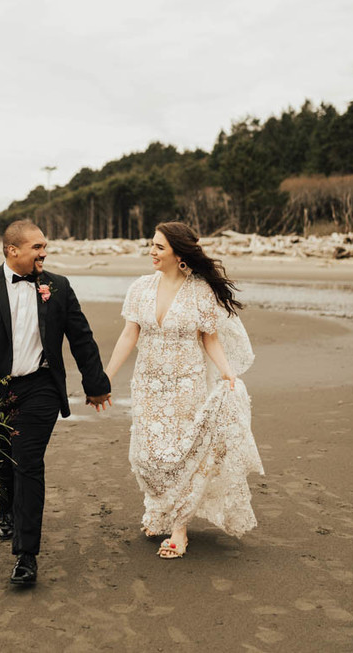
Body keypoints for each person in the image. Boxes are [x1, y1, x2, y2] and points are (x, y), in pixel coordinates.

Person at [0, 219, 111, 585]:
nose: (44, 253)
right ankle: (6, 508)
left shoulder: (58, 287)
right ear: (12, 250)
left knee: (27, 461)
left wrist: (95, 384)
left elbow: (81, 337)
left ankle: (26, 555)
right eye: (37, 247)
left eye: (45, 246)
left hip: (40, 387)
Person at [105, 221, 263, 559]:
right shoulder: (140, 288)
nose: (152, 251)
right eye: (152, 244)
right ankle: (158, 510)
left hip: (185, 385)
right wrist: (106, 376)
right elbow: (128, 335)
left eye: (159, 246)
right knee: (145, 456)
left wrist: (227, 372)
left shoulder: (200, 292)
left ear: (179, 254)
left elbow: (211, 338)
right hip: (147, 383)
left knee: (178, 456)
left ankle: (179, 527)